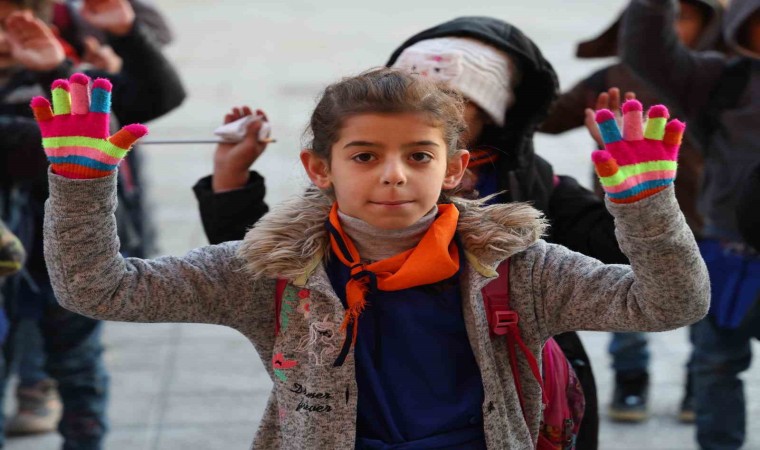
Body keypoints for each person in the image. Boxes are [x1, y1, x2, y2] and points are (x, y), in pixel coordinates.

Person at [37, 67, 708, 449]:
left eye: (419, 155)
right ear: (318, 168)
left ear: (455, 169)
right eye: (364, 156)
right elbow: (100, 290)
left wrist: (648, 205)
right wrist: (79, 185)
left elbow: (671, 303)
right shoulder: (269, 269)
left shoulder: (520, 267)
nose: (393, 175)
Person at [0, 0, 185, 447]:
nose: (4, 38)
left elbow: (154, 98)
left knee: (78, 369)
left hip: (68, 258)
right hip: (8, 264)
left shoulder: (64, 76)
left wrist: (65, 63)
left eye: (14, 24)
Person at [539, 0, 724, 424]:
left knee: (703, 311)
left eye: (684, 17)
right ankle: (630, 382)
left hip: (704, 220)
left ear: (708, 26)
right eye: (665, 17)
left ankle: (698, 388)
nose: (672, 27)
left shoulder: (712, 78)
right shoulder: (608, 79)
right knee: (630, 302)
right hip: (629, 223)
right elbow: (546, 119)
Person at [622, 0, 760, 448]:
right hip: (726, 251)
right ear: (744, 24)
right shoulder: (724, 79)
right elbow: (649, 55)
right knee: (716, 364)